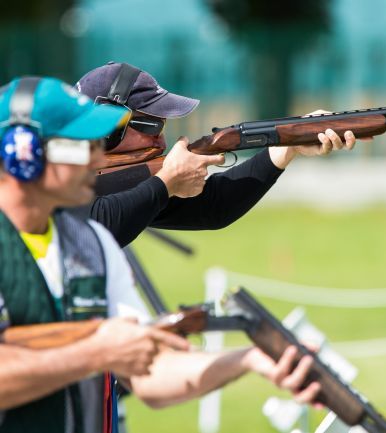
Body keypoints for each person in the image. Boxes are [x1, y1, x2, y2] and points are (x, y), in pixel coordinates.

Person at [0, 77, 320, 433]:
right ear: (21, 155)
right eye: (79, 147)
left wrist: (250, 359)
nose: (94, 157)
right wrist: (95, 352)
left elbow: (150, 372)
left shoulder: (94, 246)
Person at [75, 62, 359, 247]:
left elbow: (213, 208)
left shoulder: (126, 183)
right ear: (108, 128)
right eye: (151, 124)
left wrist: (286, 147)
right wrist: (168, 181)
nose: (161, 138)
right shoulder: (43, 166)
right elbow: (96, 226)